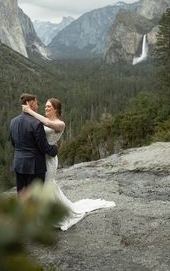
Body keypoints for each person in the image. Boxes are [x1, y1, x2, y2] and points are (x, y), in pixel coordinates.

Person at [22, 97, 116, 231]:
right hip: (40, 158)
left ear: (56, 109)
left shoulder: (60, 124)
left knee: (47, 184)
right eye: (45, 106)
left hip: (49, 160)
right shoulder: (45, 121)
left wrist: (30, 111)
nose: (46, 108)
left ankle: (54, 216)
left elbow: (45, 122)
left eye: (49, 107)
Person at [9, 93, 58, 196]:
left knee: (22, 195)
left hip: (19, 163)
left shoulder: (13, 122)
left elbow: (14, 143)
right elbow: (43, 146)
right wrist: (54, 150)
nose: (38, 106)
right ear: (30, 104)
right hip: (34, 166)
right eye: (36, 103)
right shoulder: (36, 123)